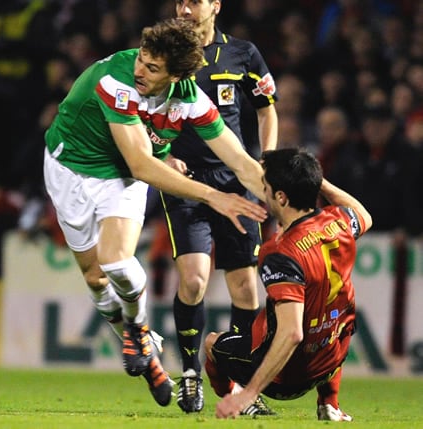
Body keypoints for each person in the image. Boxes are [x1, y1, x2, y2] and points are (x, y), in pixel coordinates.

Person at [43, 18, 268, 407]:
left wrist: (290, 199)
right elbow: (143, 165)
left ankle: (136, 329)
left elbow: (239, 159)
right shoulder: (118, 79)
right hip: (71, 169)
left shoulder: (192, 99)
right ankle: (146, 349)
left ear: (178, 75)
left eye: (152, 67)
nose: (139, 70)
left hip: (121, 176)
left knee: (115, 261)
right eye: (142, 59)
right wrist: (214, 196)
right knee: (95, 279)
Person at [163, 0, 278, 414]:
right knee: (194, 280)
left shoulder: (242, 54)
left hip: (238, 182)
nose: (185, 8)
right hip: (185, 183)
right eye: (180, 2)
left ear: (215, 6)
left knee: (246, 288)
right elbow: (142, 110)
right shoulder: (168, 52)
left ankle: (239, 386)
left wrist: (269, 157)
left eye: (194, 1)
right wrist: (161, 155)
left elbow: (267, 110)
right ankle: (191, 373)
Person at [204, 148, 373, 421]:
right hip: (332, 361)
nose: (264, 194)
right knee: (333, 316)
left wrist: (250, 391)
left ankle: (241, 400)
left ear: (281, 197)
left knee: (212, 344)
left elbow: (292, 333)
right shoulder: (338, 222)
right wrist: (319, 181)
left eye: (266, 188)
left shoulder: (281, 251)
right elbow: (364, 215)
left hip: (284, 381)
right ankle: (329, 403)